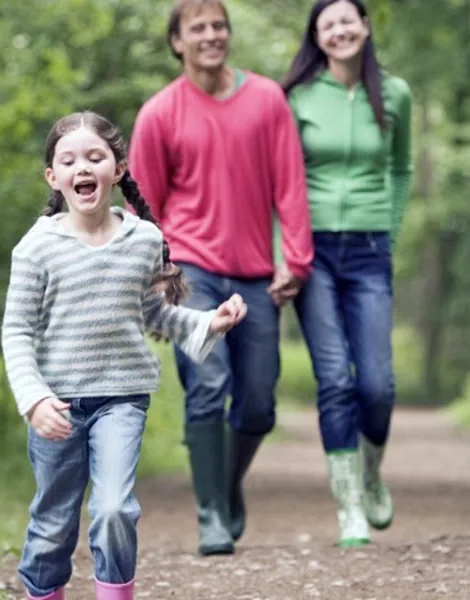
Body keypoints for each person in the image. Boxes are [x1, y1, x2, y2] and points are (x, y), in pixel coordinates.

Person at [1, 111, 247, 600]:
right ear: (53, 176)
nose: (83, 168)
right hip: (57, 407)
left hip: (122, 398)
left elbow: (154, 313)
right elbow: (17, 330)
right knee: (53, 524)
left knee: (114, 509)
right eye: (69, 160)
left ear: (117, 169)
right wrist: (33, 399)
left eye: (96, 157)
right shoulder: (37, 248)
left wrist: (207, 322)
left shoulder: (144, 240)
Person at [128, 0, 313, 556]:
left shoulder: (267, 100)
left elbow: (290, 184)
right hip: (191, 269)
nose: (211, 35)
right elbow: (143, 206)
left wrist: (294, 259)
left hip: (256, 273)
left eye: (218, 26)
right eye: (198, 28)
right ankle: (210, 512)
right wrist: (157, 274)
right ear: (178, 42)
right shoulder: (159, 113)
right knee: (208, 385)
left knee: (258, 402)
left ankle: (224, 485)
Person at [279, 0, 413, 547]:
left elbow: (401, 169)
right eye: (327, 24)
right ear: (317, 36)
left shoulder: (396, 93)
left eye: (347, 20)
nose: (339, 30)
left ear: (364, 27)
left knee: (377, 384)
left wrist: (391, 229)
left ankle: (371, 472)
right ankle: (349, 507)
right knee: (335, 380)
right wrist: (283, 253)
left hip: (370, 250)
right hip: (312, 254)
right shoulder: (298, 98)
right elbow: (282, 181)